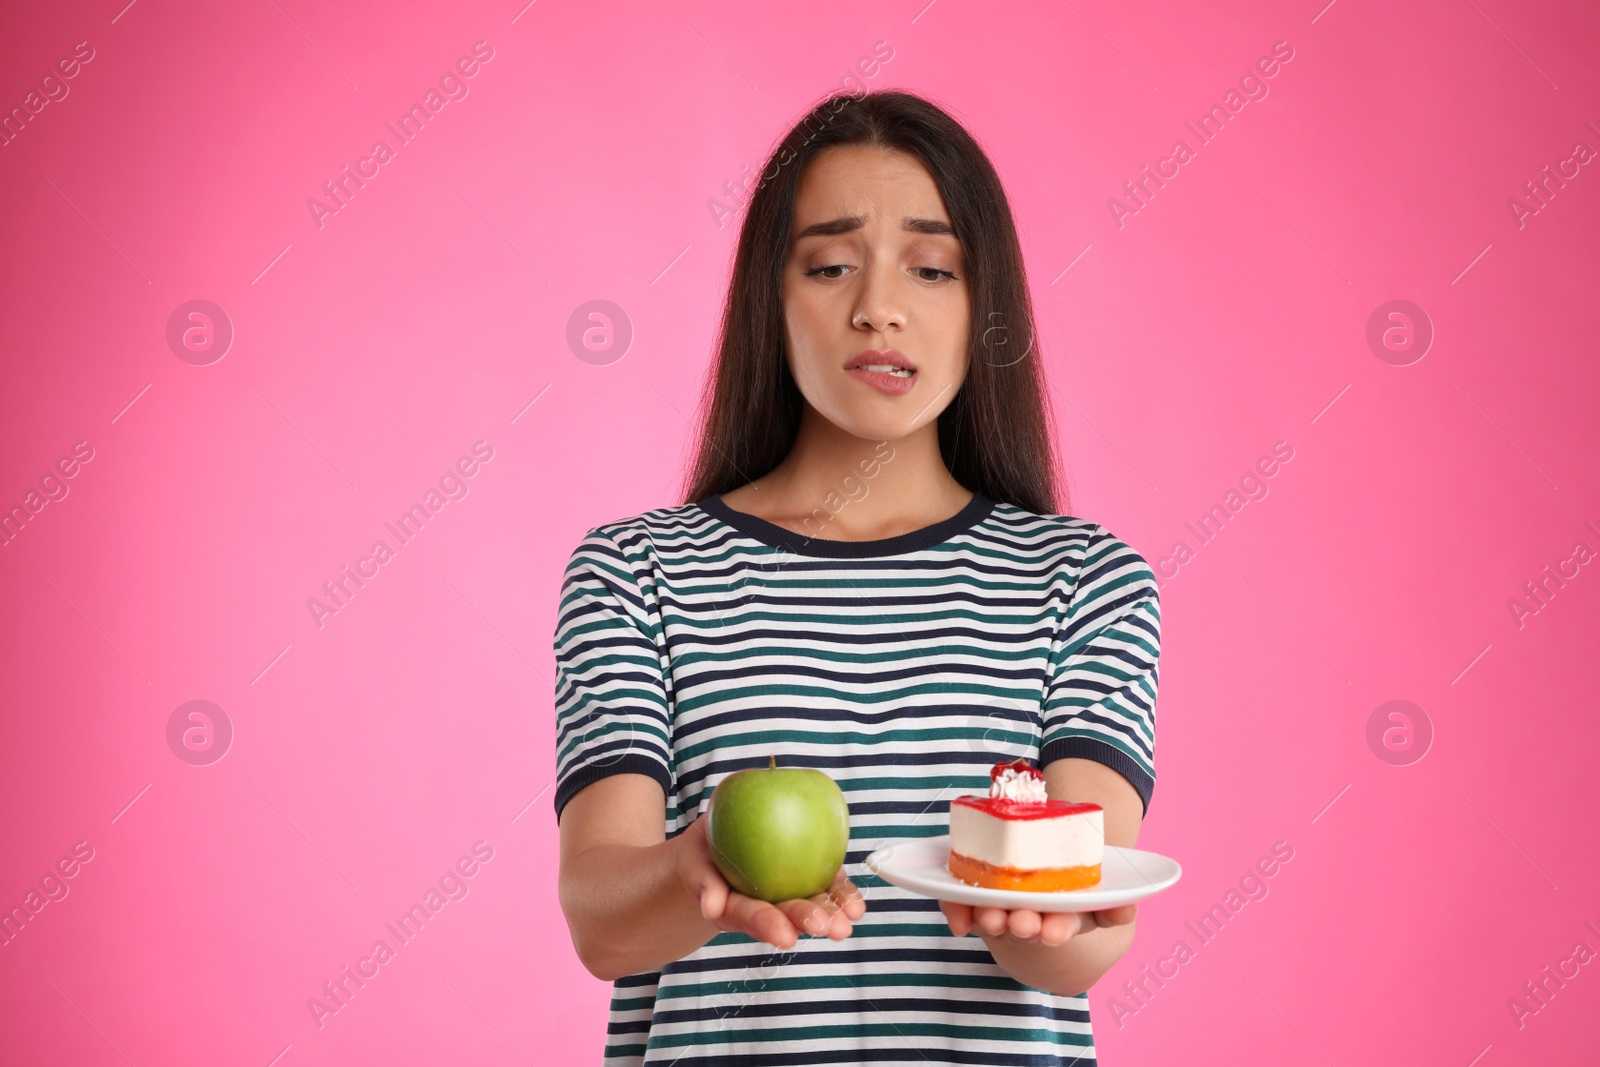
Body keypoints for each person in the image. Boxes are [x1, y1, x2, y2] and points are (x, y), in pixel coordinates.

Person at [553, 88, 1161, 1065]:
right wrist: (693, 869)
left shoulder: (1084, 580)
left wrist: (1028, 915)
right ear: (770, 296)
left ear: (982, 307)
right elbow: (600, 922)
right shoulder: (638, 572)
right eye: (831, 263)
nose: (878, 306)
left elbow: (1081, 948)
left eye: (930, 268)